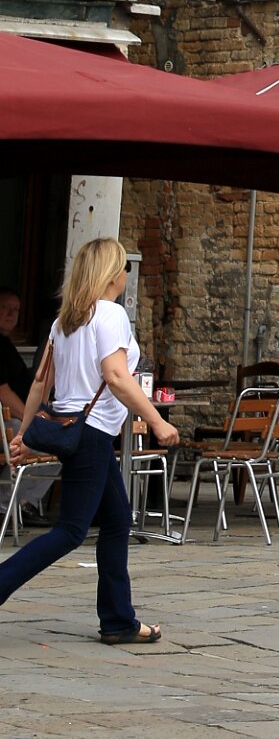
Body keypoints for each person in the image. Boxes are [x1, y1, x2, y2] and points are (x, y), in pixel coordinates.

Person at [1, 238, 178, 645]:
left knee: (117, 520)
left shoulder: (64, 322)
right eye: (124, 268)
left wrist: (24, 434)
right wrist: (156, 421)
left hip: (75, 431)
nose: (126, 275)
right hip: (92, 433)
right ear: (113, 274)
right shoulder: (111, 315)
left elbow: (40, 384)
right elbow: (116, 376)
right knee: (70, 530)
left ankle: (118, 621)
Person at [0, 288, 31, 427]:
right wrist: (31, 421)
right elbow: (3, 393)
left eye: (16, 309)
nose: (11, 313)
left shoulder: (5, 342)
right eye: (5, 307)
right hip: (8, 419)